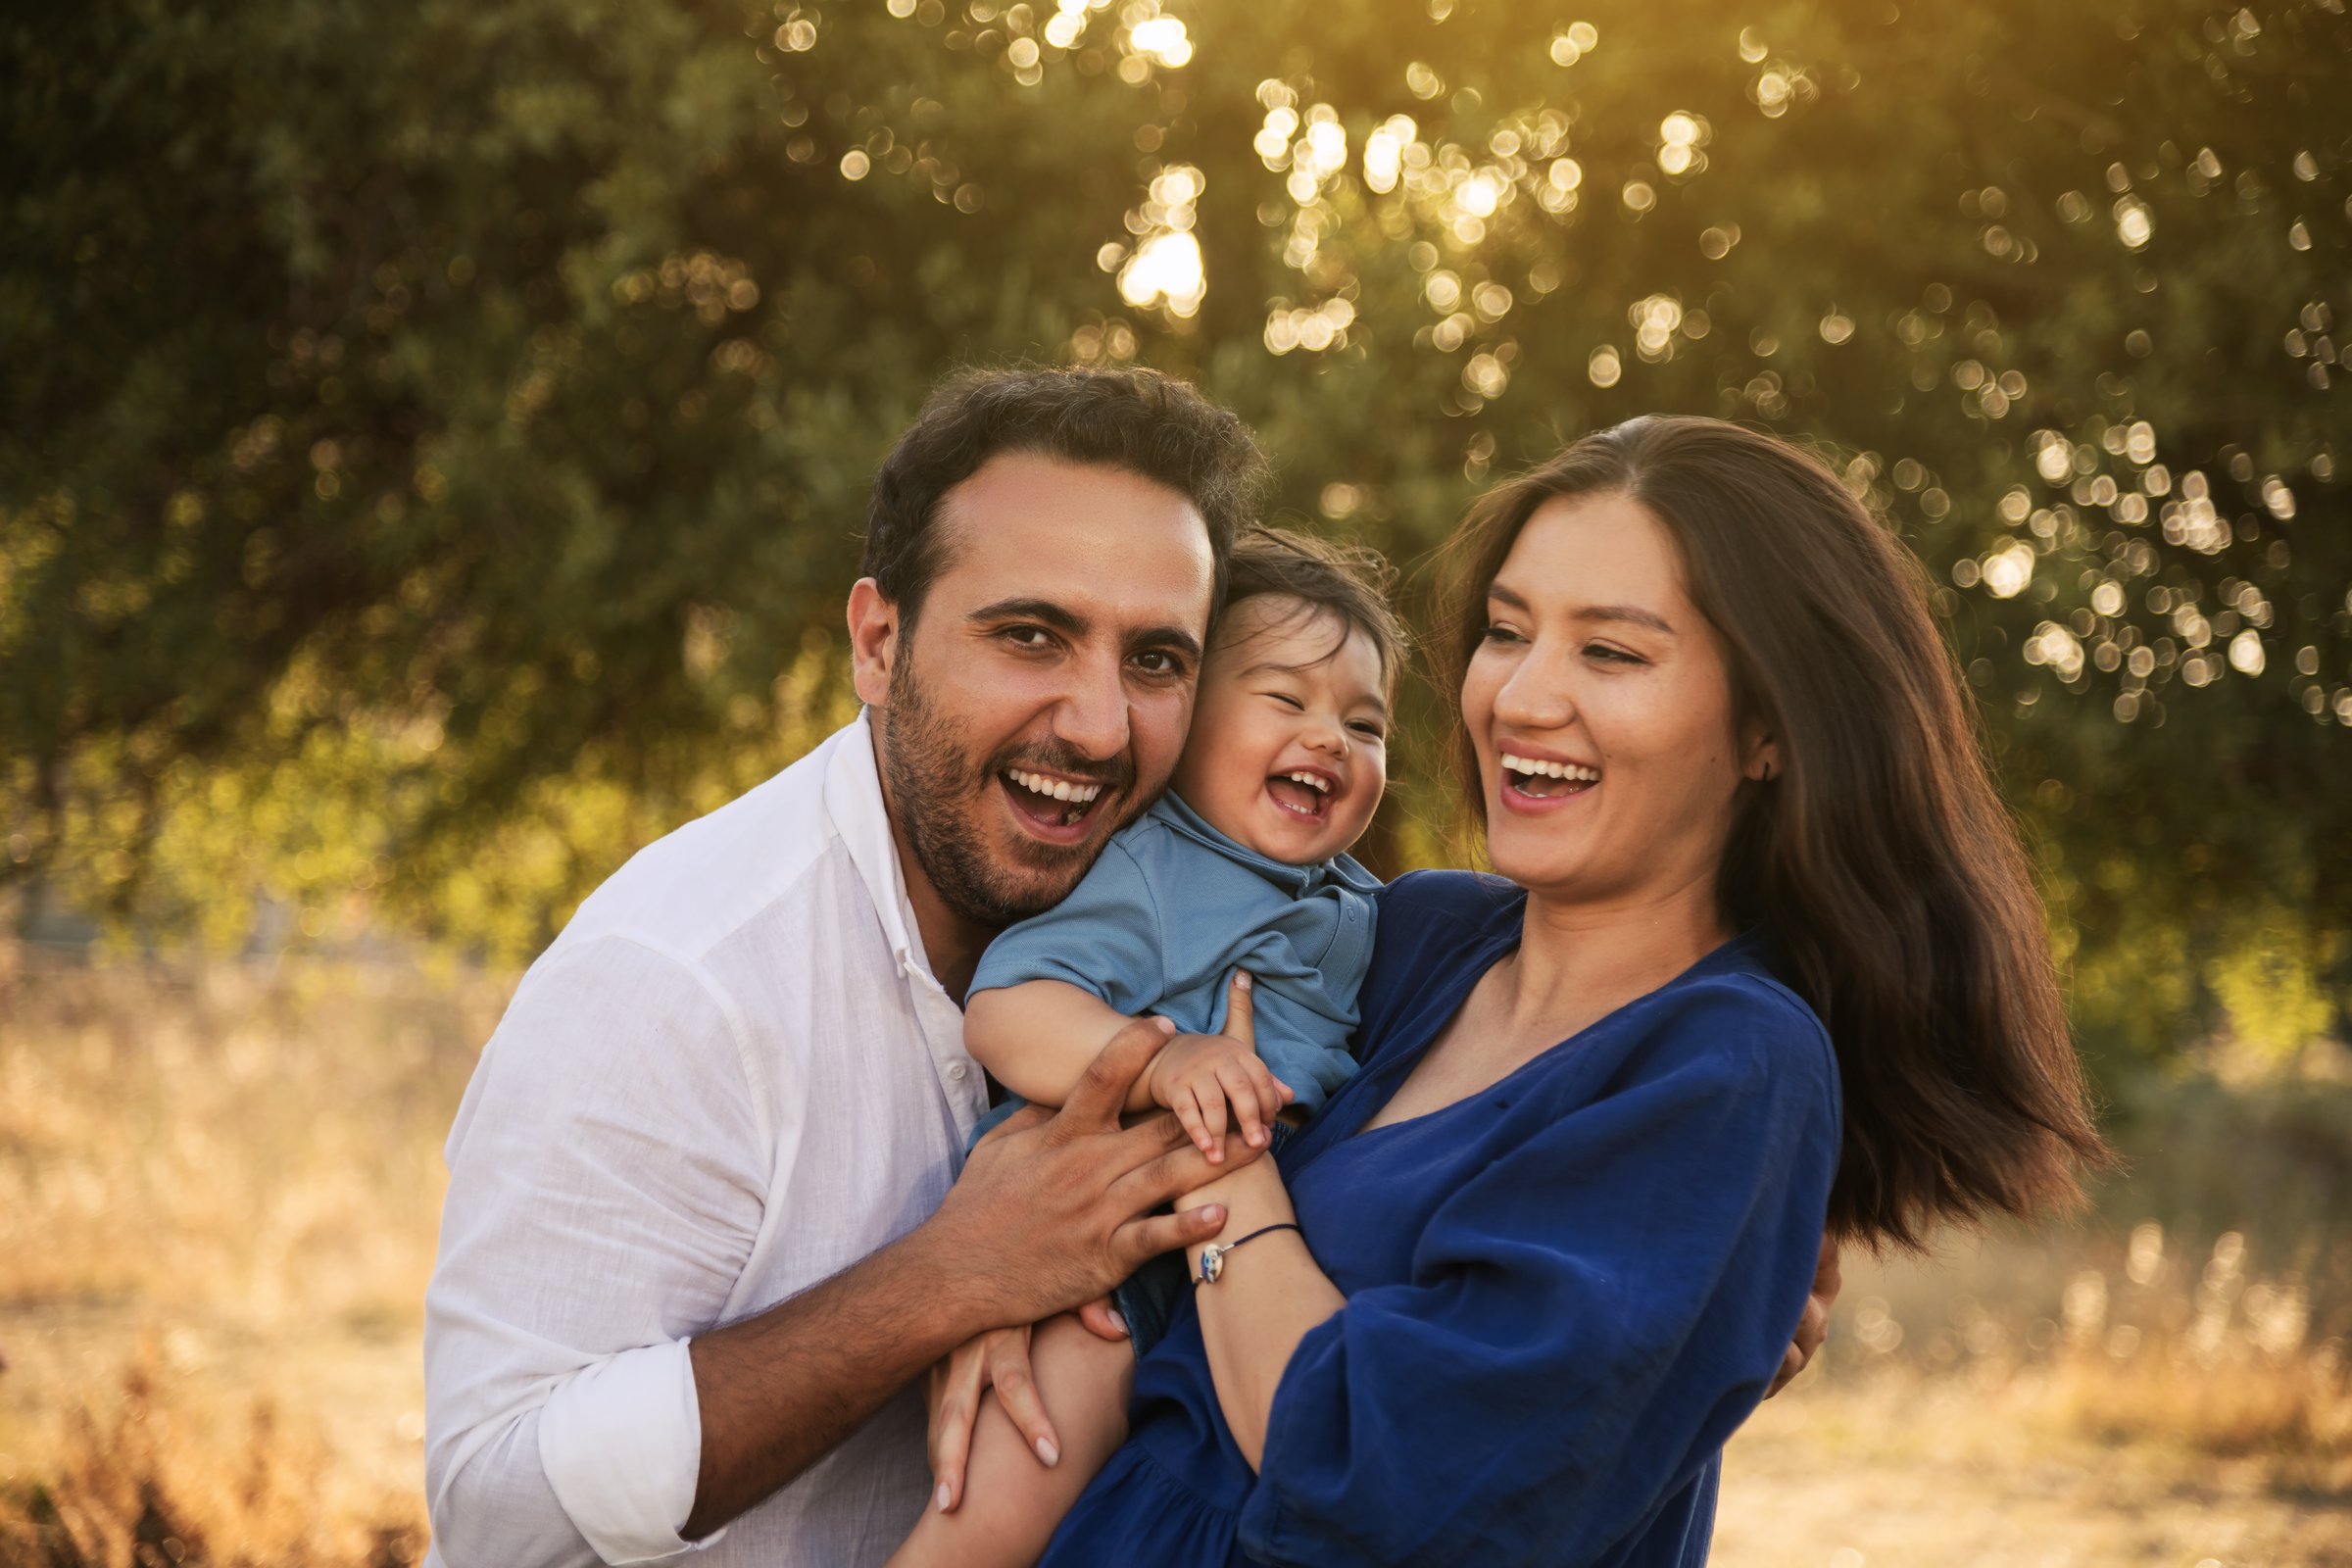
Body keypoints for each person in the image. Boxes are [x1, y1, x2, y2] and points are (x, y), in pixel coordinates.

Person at [1020, 416, 2111, 1565]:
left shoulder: (1728, 1066)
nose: (1520, 698)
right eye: (1506, 631)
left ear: (1769, 732)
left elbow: (1375, 1482)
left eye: (1613, 652)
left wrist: (1221, 1154)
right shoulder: (1411, 936)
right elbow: (1081, 1006)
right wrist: (1006, 1299)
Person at [420, 366, 1285, 1568]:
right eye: (1031, 635)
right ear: (878, 641)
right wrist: (951, 1278)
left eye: (1155, 661)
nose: (1097, 726)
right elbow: (497, 1509)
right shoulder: (677, 980)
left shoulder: (1194, 938)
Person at [890, 527, 1408, 1568]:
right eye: (1288, 700)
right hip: (1103, 1257)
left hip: (1230, 1270)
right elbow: (1007, 1004)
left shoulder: (1359, 902)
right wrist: (1160, 1059)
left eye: (1366, 722)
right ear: (1187, 722)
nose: (1332, 739)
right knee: (1000, 1514)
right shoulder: (1158, 867)